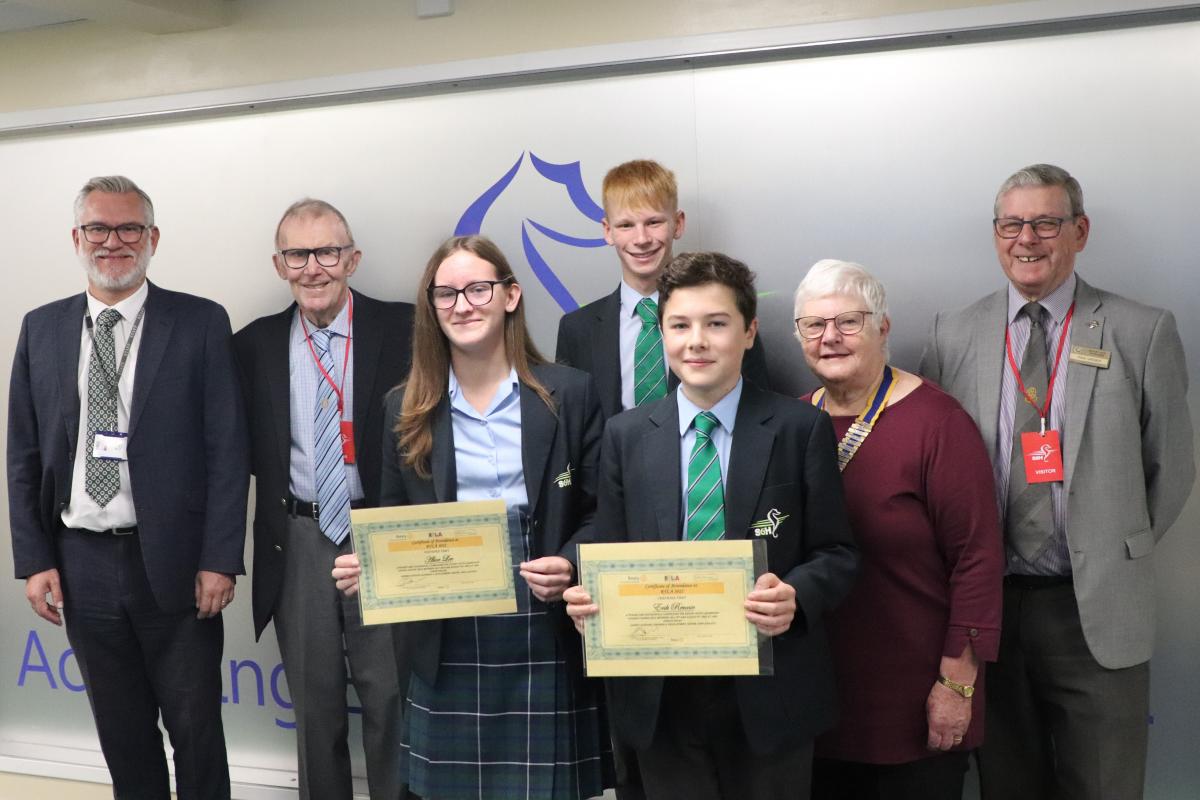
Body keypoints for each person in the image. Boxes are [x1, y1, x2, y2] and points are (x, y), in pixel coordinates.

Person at [919, 163, 1195, 800]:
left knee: (1104, 785)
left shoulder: (1140, 330)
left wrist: (1110, 543)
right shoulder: (952, 333)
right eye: (1012, 224)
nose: (1028, 239)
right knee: (1006, 784)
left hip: (1092, 608)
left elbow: (1171, 468)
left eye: (1046, 222)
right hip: (988, 611)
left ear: (1080, 231)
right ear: (995, 235)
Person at [565, 251, 858, 800]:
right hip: (661, 699)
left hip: (770, 694)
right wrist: (588, 597)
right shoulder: (626, 437)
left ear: (749, 333)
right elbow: (605, 548)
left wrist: (796, 593)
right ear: (662, 333)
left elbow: (838, 552)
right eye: (679, 325)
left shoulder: (800, 429)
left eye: (716, 323)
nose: (695, 341)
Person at [332, 235, 611, 799]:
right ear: (431, 308)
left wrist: (571, 561)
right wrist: (375, 568)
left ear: (510, 295)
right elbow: (390, 520)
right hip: (446, 623)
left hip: (543, 618)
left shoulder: (570, 392)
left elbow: (605, 512)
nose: (463, 305)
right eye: (446, 294)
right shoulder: (403, 408)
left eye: (478, 289)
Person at [7, 175, 249, 799]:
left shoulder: (199, 322)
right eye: (99, 228)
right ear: (77, 238)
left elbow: (228, 449)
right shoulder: (41, 329)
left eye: (129, 229)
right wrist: (34, 561)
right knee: (122, 735)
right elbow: (23, 457)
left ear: (153, 238)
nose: (113, 242)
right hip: (81, 563)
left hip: (174, 563)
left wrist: (220, 559)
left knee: (196, 731)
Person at [792, 259, 1003, 800]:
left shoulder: (937, 423)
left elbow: (977, 560)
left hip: (915, 705)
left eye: (848, 322)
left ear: (883, 327)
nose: (829, 338)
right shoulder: (789, 424)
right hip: (811, 705)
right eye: (814, 325)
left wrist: (957, 684)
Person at [233, 199, 412, 800]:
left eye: (327, 252)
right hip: (299, 539)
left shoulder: (408, 330)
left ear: (352, 259)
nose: (313, 268)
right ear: (279, 264)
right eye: (297, 254)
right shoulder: (253, 345)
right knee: (314, 711)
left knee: (393, 703)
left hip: (383, 537)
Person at [556, 158, 770, 420]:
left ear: (677, 224)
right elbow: (573, 427)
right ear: (608, 231)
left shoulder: (726, 319)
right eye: (626, 225)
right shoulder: (577, 330)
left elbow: (759, 415)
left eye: (654, 222)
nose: (642, 239)